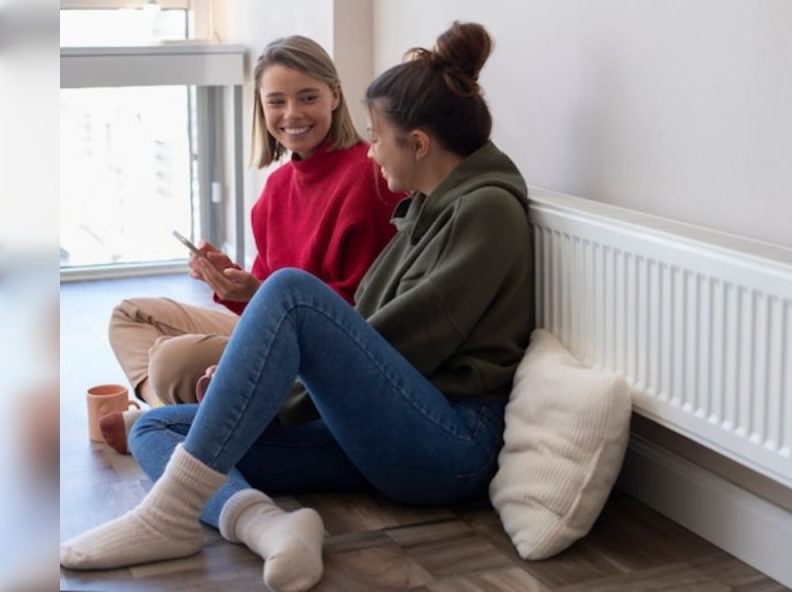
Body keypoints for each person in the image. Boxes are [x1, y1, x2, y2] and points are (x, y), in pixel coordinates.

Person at [60, 21, 533, 592]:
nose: (372, 149)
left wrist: (270, 398)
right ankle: (271, 530)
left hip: (448, 444)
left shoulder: (486, 212)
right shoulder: (427, 208)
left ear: (419, 144)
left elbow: (405, 345)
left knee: (287, 289)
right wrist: (250, 388)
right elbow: (371, 342)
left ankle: (168, 514)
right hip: (378, 430)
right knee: (156, 429)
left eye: (378, 136)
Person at [105, 35, 402, 415]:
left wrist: (258, 292)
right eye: (276, 101)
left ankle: (167, 417)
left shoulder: (368, 177)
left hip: (320, 348)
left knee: (169, 361)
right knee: (130, 315)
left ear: (336, 96)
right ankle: (163, 410)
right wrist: (229, 281)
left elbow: (365, 310)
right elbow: (259, 301)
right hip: (273, 331)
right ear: (261, 107)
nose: (292, 113)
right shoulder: (276, 190)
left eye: (308, 97)